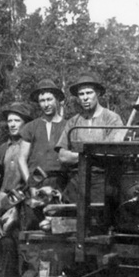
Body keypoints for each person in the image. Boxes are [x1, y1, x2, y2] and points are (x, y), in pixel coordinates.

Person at [16, 79, 68, 277]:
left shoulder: (67, 125)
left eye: (49, 99)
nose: (46, 104)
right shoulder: (31, 127)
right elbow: (21, 158)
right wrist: (31, 184)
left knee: (59, 230)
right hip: (35, 182)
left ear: (57, 100)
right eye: (42, 100)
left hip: (61, 182)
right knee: (31, 231)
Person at [55, 73, 124, 203]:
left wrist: (78, 154)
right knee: (72, 220)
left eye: (89, 93)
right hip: (76, 182)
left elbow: (111, 150)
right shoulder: (73, 122)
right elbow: (63, 156)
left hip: (102, 181)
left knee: (99, 220)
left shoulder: (112, 119)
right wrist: (89, 154)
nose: (85, 98)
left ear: (97, 93)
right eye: (81, 94)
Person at [0, 102, 34, 192]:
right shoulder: (3, 148)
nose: (12, 125)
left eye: (17, 121)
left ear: (25, 123)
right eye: (10, 121)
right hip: (4, 197)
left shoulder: (31, 147)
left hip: (24, 197)